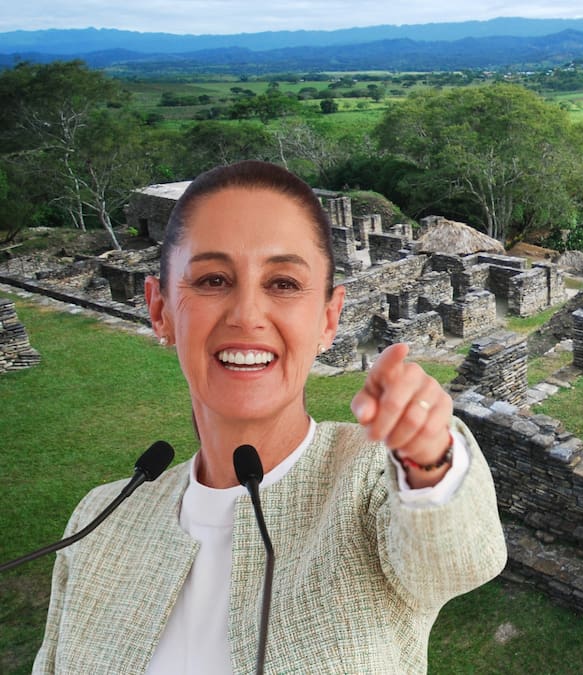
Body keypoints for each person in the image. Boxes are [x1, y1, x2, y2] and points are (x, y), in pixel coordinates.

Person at [34, 160, 507, 673]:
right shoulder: (98, 519)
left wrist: (429, 458)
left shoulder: (369, 479)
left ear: (328, 319)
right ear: (160, 310)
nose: (246, 315)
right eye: (213, 279)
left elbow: (460, 558)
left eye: (283, 283)